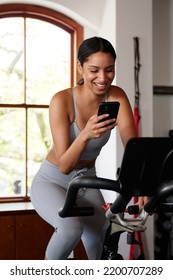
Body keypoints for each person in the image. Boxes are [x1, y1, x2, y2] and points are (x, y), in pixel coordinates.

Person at [30, 36, 138, 260]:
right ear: (79, 67)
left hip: (87, 180)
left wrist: (141, 185)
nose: (103, 78)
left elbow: (133, 145)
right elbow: (65, 165)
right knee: (71, 229)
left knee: (101, 235)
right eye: (94, 70)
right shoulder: (62, 101)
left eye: (109, 69)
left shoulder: (116, 96)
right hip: (53, 181)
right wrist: (86, 134)